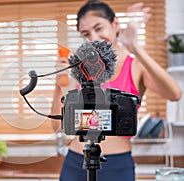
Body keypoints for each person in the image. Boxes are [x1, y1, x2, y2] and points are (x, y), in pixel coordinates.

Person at [51, 1, 182, 181]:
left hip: (117, 165)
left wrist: (134, 46)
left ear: (115, 24)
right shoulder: (79, 69)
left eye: (99, 28)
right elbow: (58, 126)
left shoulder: (135, 66)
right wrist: (60, 82)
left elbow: (174, 94)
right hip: (76, 162)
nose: (94, 38)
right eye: (86, 34)